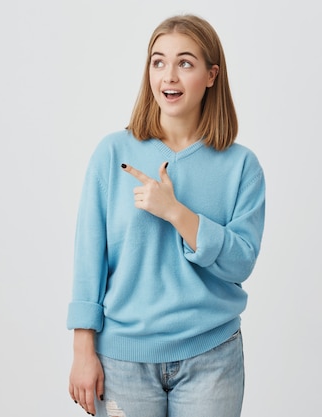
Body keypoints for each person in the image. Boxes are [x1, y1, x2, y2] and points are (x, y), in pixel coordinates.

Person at [67, 14, 265, 417]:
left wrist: (177, 213)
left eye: (185, 63)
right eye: (158, 62)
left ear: (211, 75)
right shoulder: (112, 154)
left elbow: (240, 262)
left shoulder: (242, 167)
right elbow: (89, 259)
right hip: (123, 360)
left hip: (211, 356)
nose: (168, 76)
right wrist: (82, 351)